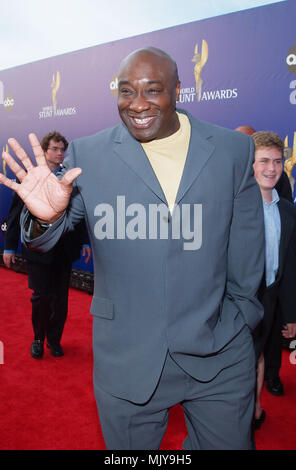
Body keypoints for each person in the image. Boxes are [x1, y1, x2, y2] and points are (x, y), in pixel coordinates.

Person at [1, 48, 265, 450]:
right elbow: (47, 241)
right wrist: (46, 217)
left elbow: (247, 254)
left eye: (152, 90)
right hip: (127, 355)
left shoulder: (233, 150)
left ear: (179, 90)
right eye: (126, 91)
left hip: (220, 353)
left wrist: (240, 320)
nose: (137, 104)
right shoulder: (87, 155)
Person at [3, 131, 91, 359]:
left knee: (60, 299)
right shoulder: (29, 179)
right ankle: (38, 338)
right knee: (40, 297)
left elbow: (78, 215)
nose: (60, 153)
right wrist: (9, 247)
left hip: (64, 250)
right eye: (55, 148)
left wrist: (83, 243)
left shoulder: (71, 178)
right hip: (37, 252)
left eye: (63, 149)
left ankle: (55, 340)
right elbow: (14, 217)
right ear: (44, 151)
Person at [251, 131, 296, 429]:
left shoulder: (288, 211)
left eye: (277, 161)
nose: (271, 168)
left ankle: (254, 411)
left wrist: (291, 315)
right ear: (250, 165)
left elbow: (290, 267)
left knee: (258, 358)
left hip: (268, 298)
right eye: (264, 161)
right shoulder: (234, 206)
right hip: (235, 300)